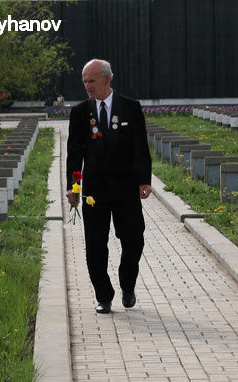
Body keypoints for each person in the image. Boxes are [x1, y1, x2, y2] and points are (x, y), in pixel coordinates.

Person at [66, 59, 152, 314]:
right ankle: (103, 295)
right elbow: (74, 153)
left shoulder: (130, 108)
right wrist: (74, 187)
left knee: (134, 239)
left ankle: (127, 283)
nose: (87, 86)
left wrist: (144, 180)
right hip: (94, 190)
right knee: (95, 245)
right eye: (84, 82)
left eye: (91, 81)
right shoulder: (81, 112)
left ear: (106, 79)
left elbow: (140, 146)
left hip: (126, 188)